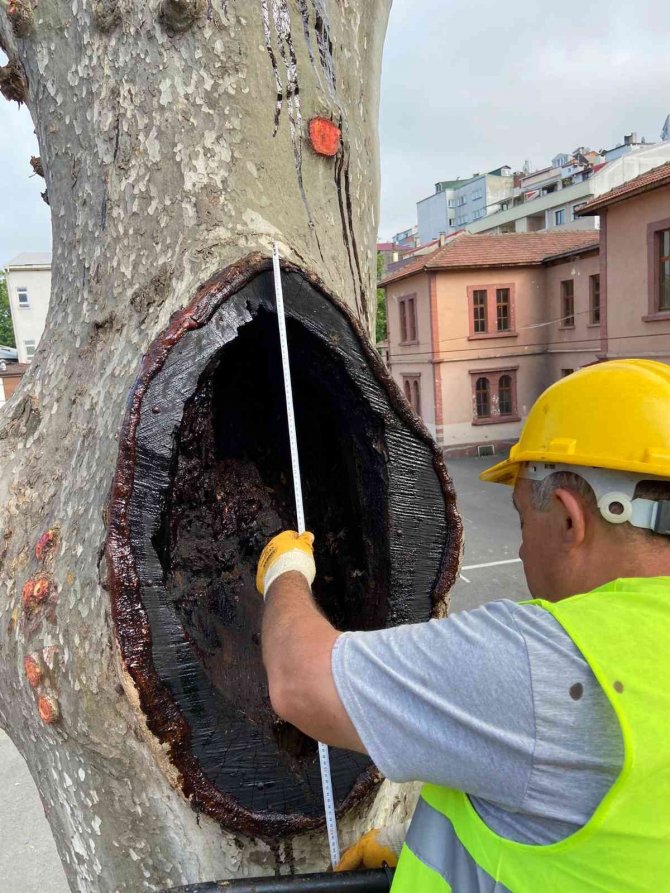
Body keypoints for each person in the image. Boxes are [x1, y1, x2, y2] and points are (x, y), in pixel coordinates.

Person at [255, 358, 670, 892]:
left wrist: (285, 572)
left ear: (570, 518)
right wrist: (418, 836)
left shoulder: (547, 664)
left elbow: (299, 682)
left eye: (524, 519)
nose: (521, 549)